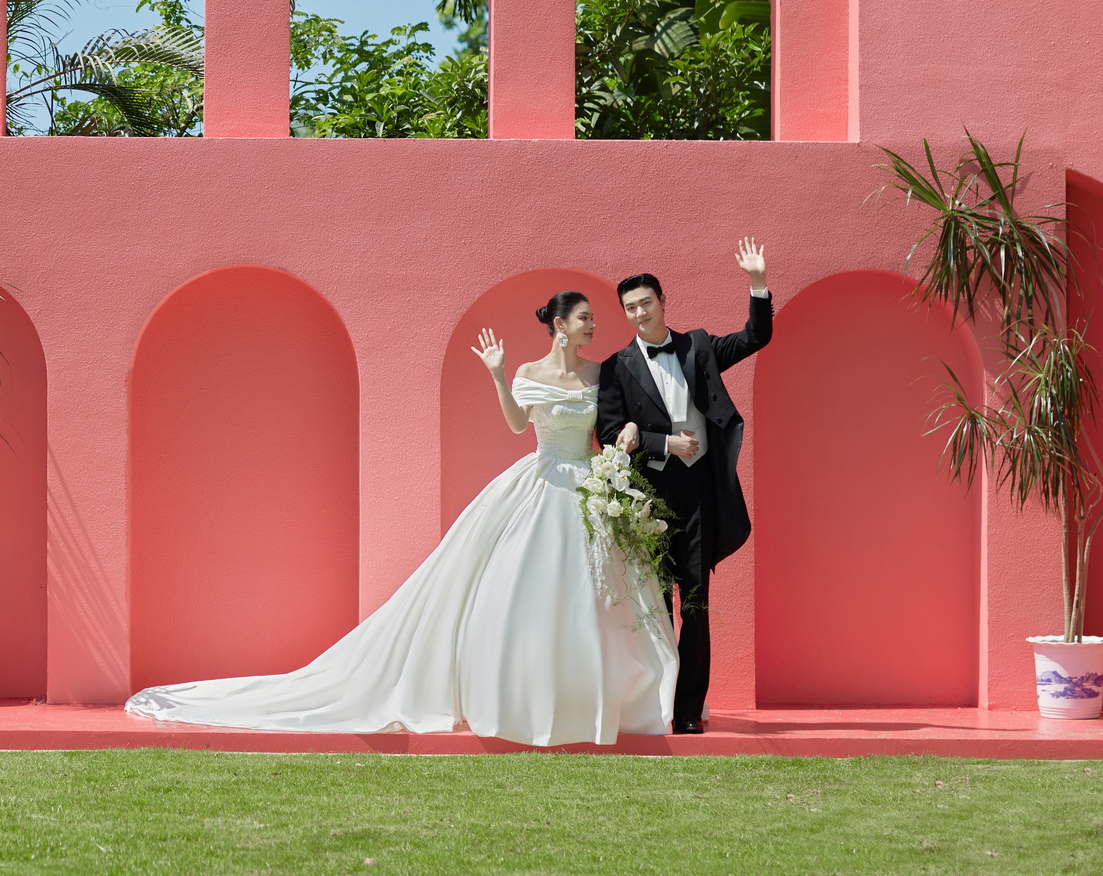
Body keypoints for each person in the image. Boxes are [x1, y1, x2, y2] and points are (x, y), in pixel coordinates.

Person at [125, 291, 677, 746]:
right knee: (521, 595)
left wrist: (630, 440)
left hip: (589, 486)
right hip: (539, 482)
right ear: (560, 323)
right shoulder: (530, 372)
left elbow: (614, 424)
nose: (592, 326)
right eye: (584, 318)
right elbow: (516, 426)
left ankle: (596, 702)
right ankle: (526, 700)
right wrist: (498, 374)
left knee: (598, 597)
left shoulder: (603, 373)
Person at [595, 240, 772, 735]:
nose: (638, 313)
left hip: (699, 496)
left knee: (694, 603)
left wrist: (757, 282)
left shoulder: (698, 346)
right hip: (648, 499)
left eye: (645, 303)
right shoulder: (615, 368)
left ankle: (688, 711)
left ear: (662, 302)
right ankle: (654, 702)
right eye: (630, 308)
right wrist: (664, 444)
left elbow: (755, 336)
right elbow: (610, 436)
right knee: (654, 604)